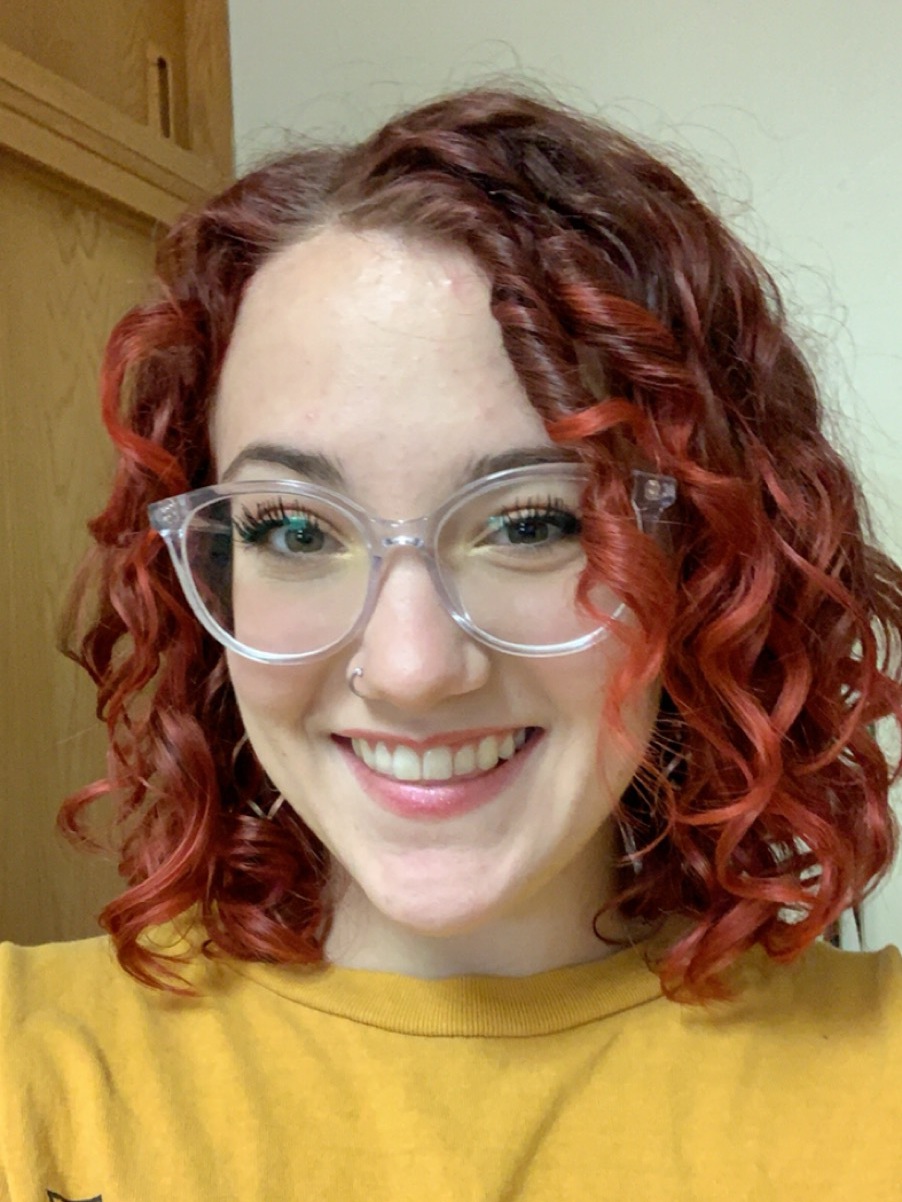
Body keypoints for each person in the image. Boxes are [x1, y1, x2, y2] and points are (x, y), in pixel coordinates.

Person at [1, 87, 900, 1200]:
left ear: (709, 561)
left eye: (531, 523)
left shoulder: (879, 1083)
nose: (412, 668)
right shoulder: (31, 1074)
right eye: (293, 530)